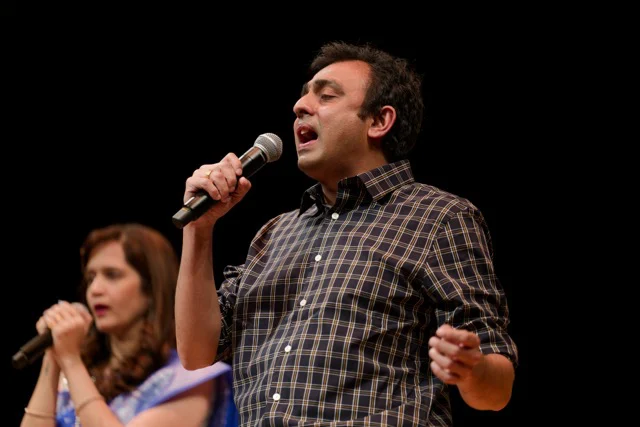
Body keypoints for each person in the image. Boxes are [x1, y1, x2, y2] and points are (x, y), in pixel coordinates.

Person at [174, 41, 518, 426]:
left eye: (326, 96)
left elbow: (497, 389)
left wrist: (471, 368)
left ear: (379, 121)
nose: (300, 106)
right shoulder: (273, 234)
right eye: (303, 96)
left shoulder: (438, 217)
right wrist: (199, 229)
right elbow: (196, 352)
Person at [20, 223, 239, 427]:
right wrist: (53, 357)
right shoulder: (84, 372)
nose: (94, 290)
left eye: (112, 275)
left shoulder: (191, 380)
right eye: (90, 278)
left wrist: (70, 360)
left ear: (151, 288)